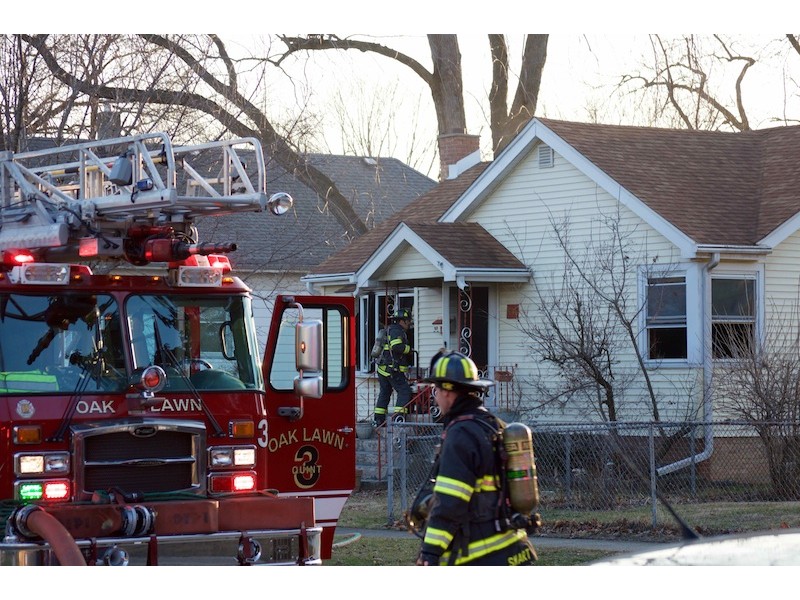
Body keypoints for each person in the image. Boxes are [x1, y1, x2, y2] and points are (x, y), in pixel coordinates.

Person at [415, 351, 536, 566]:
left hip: (482, 556)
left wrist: (430, 552)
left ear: (448, 392)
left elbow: (450, 502)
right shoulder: (493, 424)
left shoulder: (461, 434)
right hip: (514, 549)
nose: (434, 396)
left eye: (436, 389)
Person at [372, 308, 413, 426]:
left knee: (385, 392)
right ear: (402, 321)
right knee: (404, 391)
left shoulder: (389, 329)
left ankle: (378, 420)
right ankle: (399, 419)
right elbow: (396, 347)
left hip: (383, 369)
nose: (409, 323)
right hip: (392, 369)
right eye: (408, 320)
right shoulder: (397, 331)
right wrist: (409, 349)